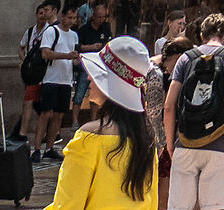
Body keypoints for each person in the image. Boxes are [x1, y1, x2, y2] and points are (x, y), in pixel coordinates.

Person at [48, 35, 163, 210]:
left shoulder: (89, 139)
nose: (88, 79)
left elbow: (67, 205)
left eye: (97, 73)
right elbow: (151, 203)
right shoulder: (146, 138)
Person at [166, 13, 224, 210]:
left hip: (185, 142)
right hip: (218, 144)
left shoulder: (186, 58)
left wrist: (171, 145)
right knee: (213, 206)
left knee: (178, 207)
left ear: (202, 35)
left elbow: (169, 105)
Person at [28, 1, 81, 162]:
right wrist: (66, 56)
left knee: (59, 115)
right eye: (69, 17)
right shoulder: (52, 32)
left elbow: (74, 55)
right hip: (51, 79)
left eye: (74, 18)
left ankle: (50, 147)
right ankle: (37, 148)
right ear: (62, 16)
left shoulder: (74, 35)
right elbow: (45, 53)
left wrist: (76, 60)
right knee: (46, 114)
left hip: (66, 80)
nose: (71, 21)